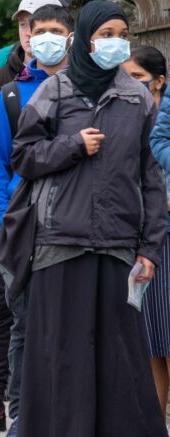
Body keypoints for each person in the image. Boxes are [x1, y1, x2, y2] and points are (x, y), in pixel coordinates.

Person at [11, 0, 166, 437]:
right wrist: (72, 146)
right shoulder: (54, 92)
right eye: (106, 35)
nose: (115, 43)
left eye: (122, 34)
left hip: (119, 246)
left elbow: (150, 178)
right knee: (62, 357)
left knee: (122, 362)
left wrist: (150, 247)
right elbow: (23, 157)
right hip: (60, 244)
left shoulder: (136, 98)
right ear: (85, 39)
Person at [0, 0, 63, 433]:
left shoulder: (80, 82)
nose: (34, 35)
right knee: (7, 313)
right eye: (27, 26)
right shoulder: (2, 87)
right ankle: (1, 403)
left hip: (63, 222)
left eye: (44, 27)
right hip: (8, 220)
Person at [0, 4, 73, 435]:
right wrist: (4, 222)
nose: (45, 37)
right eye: (39, 31)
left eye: (55, 29)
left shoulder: (84, 88)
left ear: (71, 35)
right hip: (22, 228)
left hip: (71, 226)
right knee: (23, 323)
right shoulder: (13, 94)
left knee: (69, 325)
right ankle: (19, 413)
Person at [135, 47, 170, 422]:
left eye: (139, 78)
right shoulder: (137, 115)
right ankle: (153, 423)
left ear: (158, 81)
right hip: (149, 233)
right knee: (154, 341)